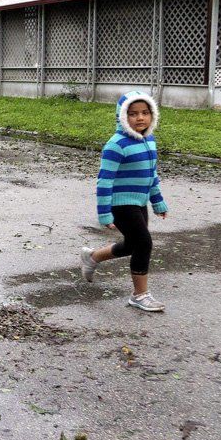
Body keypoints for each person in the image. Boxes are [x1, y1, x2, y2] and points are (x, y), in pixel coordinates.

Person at [80, 91, 169, 312]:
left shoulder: (149, 141)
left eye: (145, 113)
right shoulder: (116, 145)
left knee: (132, 245)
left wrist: (157, 201)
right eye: (133, 114)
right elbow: (104, 181)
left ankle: (92, 257)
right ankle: (139, 295)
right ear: (122, 117)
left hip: (139, 202)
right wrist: (104, 213)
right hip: (120, 204)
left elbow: (152, 175)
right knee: (144, 243)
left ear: (152, 115)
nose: (140, 118)